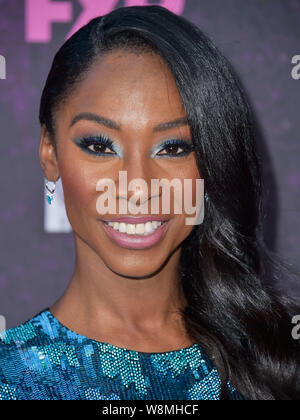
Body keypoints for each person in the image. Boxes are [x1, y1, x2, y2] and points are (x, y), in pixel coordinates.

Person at [0, 5, 299, 400]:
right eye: (100, 146)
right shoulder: (10, 380)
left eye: (173, 147)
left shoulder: (279, 358)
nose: (138, 185)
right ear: (50, 153)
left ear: (213, 161)